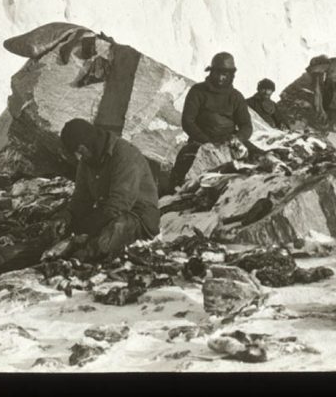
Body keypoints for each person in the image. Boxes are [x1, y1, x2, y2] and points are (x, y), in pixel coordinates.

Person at [56, 118, 159, 261]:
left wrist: (87, 228)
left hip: (137, 216)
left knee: (105, 240)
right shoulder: (88, 160)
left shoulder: (125, 155)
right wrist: (66, 216)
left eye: (80, 151)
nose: (79, 157)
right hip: (106, 213)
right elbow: (81, 198)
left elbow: (119, 204)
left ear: (87, 144)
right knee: (65, 232)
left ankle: (81, 257)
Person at [169, 52, 254, 191]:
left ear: (231, 75)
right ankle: (173, 191)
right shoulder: (198, 91)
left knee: (257, 162)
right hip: (200, 140)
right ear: (211, 72)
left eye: (225, 74)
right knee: (184, 163)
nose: (221, 77)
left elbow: (246, 125)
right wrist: (206, 141)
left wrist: (238, 138)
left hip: (229, 142)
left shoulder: (236, 97)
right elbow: (188, 121)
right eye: (217, 73)